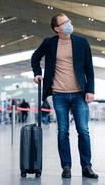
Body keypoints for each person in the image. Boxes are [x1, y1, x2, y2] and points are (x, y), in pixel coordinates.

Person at [31, 13, 98, 179]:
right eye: (65, 22)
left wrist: (90, 90)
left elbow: (89, 67)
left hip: (79, 94)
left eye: (68, 20)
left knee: (83, 131)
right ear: (57, 28)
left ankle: (87, 167)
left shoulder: (82, 42)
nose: (69, 23)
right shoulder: (49, 43)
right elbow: (35, 57)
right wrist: (37, 73)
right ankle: (66, 167)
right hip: (59, 94)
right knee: (62, 131)